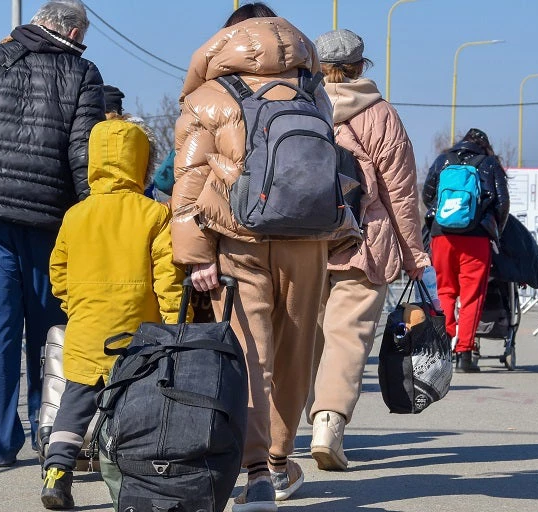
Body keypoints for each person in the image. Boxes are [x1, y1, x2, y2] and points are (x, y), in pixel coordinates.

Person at [170, 4, 359, 510]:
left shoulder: (208, 97)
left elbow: (188, 185)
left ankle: (254, 474)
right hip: (309, 240)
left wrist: (196, 258)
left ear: (227, 38)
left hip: (239, 241)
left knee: (250, 355)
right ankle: (279, 461)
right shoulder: (312, 89)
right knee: (297, 354)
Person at [0, 0, 104, 467]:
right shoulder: (83, 73)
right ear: (71, 32)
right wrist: (93, 215)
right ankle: (50, 432)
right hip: (50, 218)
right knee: (50, 328)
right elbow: (82, 152)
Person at [38, 119, 183, 509]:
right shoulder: (153, 214)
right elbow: (167, 278)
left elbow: (59, 272)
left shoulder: (76, 215)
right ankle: (132, 479)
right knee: (137, 405)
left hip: (86, 327)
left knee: (75, 402)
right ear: (141, 163)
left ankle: (57, 470)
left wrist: (75, 306)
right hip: (138, 334)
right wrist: (173, 326)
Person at [306, 29, 430, 472]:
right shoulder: (381, 116)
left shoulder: (299, 106)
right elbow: (400, 194)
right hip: (363, 239)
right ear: (361, 67)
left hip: (302, 241)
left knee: (305, 340)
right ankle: (328, 424)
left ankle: (286, 436)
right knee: (349, 337)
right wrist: (414, 254)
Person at [422, 129, 510, 373]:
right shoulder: (489, 163)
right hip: (476, 238)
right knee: (472, 297)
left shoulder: (443, 160)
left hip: (443, 235)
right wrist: (495, 230)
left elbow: (427, 194)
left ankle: (442, 349)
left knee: (445, 291)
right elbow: (502, 202)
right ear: (485, 145)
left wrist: (443, 216)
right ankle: (464, 354)